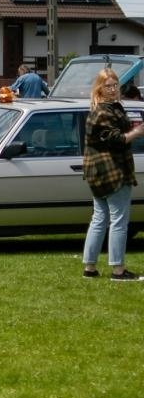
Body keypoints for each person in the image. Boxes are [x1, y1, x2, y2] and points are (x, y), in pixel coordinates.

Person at [81, 69, 141, 280]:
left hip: (98, 172)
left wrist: (130, 129)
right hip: (112, 172)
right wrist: (136, 132)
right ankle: (118, 269)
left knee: (99, 218)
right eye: (108, 85)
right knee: (118, 220)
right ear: (99, 88)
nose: (113, 89)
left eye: (115, 85)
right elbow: (116, 139)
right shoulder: (104, 111)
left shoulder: (101, 109)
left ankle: (90, 267)